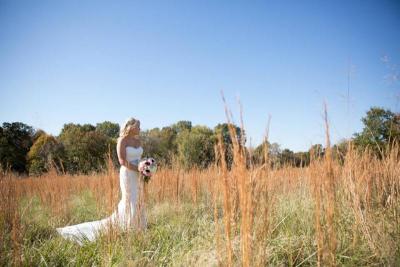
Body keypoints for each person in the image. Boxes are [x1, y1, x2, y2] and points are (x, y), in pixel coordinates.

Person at [56, 118, 147, 245]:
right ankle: (127, 226)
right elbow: (122, 161)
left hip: (137, 175)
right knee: (129, 198)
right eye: (138, 126)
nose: (140, 128)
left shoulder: (138, 140)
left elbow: (140, 158)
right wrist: (137, 168)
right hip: (127, 173)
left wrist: (145, 168)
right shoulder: (122, 140)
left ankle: (139, 226)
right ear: (130, 127)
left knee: (138, 198)